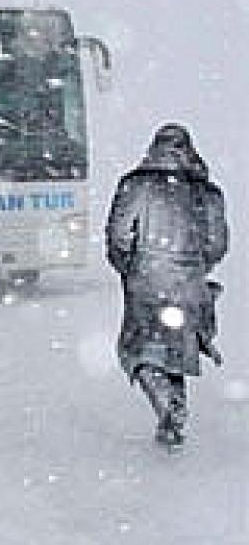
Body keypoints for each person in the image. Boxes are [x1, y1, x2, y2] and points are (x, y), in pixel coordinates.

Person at [105, 124, 228, 448]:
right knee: (177, 352)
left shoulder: (135, 186)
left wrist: (128, 268)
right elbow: (217, 244)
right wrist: (197, 269)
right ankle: (173, 409)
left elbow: (118, 236)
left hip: (146, 283)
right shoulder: (207, 192)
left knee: (137, 350)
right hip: (190, 289)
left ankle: (165, 403)